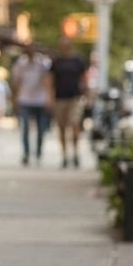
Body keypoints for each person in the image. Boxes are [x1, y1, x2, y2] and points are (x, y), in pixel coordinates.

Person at [48, 35, 88, 168]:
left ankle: (76, 152)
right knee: (62, 128)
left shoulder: (78, 60)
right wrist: (50, 96)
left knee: (74, 124)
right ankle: (65, 155)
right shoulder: (57, 61)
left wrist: (86, 93)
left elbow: (84, 78)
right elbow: (50, 79)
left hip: (75, 97)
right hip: (60, 98)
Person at [10, 41, 52, 166]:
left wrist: (49, 98)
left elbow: (48, 81)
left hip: (40, 100)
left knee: (41, 128)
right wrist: (15, 98)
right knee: (25, 128)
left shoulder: (43, 63)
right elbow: (17, 82)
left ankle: (38, 151)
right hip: (25, 99)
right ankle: (26, 153)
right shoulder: (20, 64)